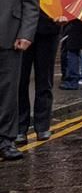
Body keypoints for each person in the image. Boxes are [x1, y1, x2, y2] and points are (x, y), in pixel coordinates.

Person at [0, 0, 39, 161]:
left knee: (8, 92)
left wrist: (26, 33)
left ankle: (6, 140)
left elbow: (30, 2)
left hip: (10, 35)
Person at [16, 12, 64, 144]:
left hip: (49, 27)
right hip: (22, 29)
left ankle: (42, 126)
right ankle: (20, 128)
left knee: (45, 80)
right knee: (20, 81)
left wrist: (64, 14)